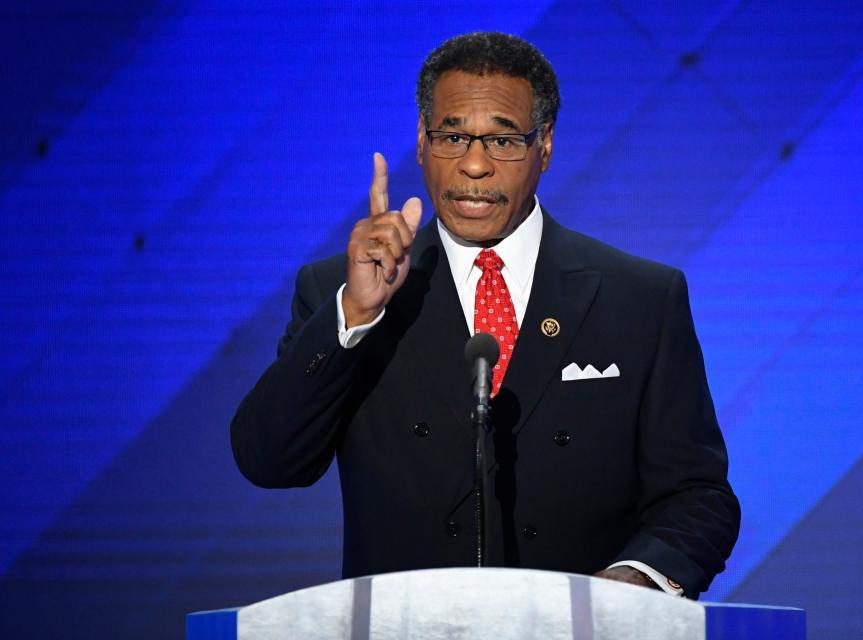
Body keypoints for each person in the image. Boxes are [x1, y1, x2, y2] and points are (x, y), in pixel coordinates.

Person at [231, 32, 739, 600]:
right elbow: (268, 460)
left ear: (544, 145)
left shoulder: (640, 297)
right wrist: (354, 313)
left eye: (502, 140)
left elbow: (698, 495)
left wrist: (632, 583)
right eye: (452, 136)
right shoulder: (339, 291)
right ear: (422, 143)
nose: (473, 165)